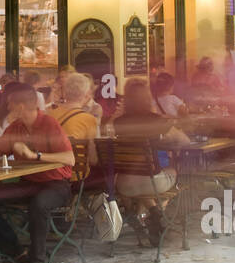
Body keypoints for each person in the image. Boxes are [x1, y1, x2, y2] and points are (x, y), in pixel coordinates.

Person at [0, 83, 75, 263]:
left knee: (39, 204)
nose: (7, 109)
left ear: (20, 107)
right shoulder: (15, 127)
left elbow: (70, 158)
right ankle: (15, 252)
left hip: (57, 184)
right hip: (28, 182)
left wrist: (34, 155)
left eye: (10, 105)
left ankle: (36, 262)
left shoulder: (49, 124)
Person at [110, 77, 190, 244]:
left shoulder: (119, 123)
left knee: (142, 178)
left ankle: (152, 214)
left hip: (123, 184)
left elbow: (108, 132)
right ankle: (156, 216)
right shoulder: (157, 120)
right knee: (172, 170)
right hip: (152, 182)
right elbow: (185, 142)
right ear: (148, 98)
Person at [49, 72, 100, 141]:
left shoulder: (50, 115)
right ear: (87, 94)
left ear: (64, 92)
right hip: (77, 152)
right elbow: (93, 149)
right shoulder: (89, 120)